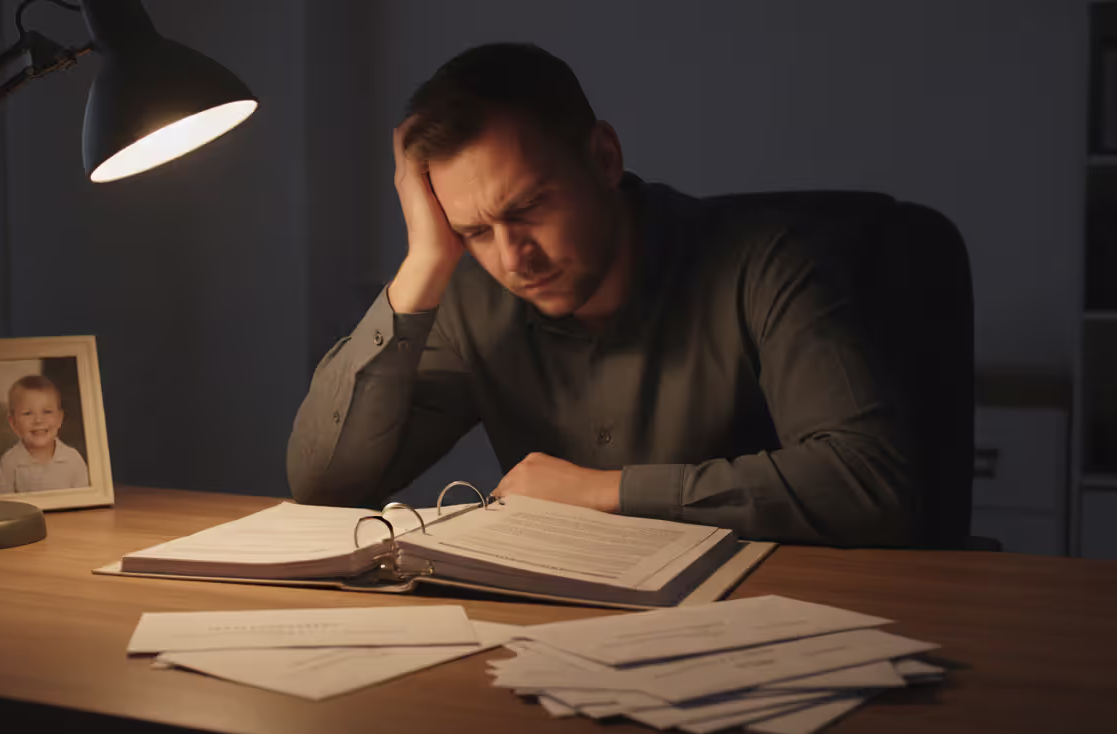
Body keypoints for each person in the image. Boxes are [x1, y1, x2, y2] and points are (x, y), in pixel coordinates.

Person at [287, 43, 922, 546]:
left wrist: (607, 492)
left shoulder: (768, 262)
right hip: (559, 639)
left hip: (768, 628)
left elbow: (870, 481)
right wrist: (424, 263)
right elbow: (326, 487)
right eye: (474, 230)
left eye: (530, 205)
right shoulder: (472, 297)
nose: (513, 258)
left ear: (605, 157)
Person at [0, 374, 90, 494]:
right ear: (13, 423)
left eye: (47, 412)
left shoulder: (73, 460)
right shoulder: (9, 463)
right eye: (28, 413)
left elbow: (85, 503)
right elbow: (4, 507)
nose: (38, 420)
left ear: (59, 419)